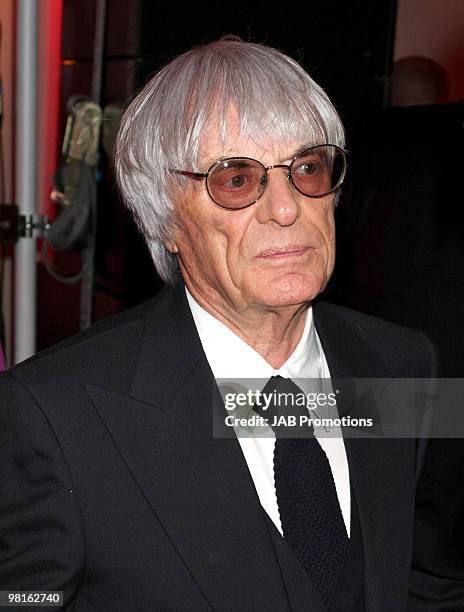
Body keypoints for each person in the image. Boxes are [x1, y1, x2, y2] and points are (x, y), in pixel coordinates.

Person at [0, 37, 463, 612]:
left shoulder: (402, 365)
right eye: (237, 179)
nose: (287, 207)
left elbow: (428, 581)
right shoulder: (53, 415)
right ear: (165, 216)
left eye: (307, 167)